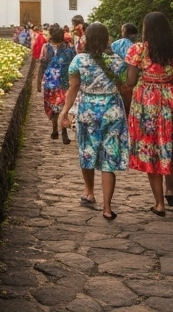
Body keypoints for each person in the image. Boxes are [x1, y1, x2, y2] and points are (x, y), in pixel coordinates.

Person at [125, 11, 173, 216]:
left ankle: (159, 204)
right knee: (169, 145)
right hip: (172, 101)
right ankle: (170, 189)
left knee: (151, 151)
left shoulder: (138, 50)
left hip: (147, 104)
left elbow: (130, 82)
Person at [59, 23, 129, 220]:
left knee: (87, 151)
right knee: (109, 159)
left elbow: (73, 88)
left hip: (88, 110)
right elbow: (126, 84)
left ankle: (89, 192)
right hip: (112, 111)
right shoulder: (118, 62)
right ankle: (107, 207)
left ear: (86, 39)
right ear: (107, 39)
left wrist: (65, 111)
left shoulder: (78, 61)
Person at [36, 25, 77, 144]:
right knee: (65, 106)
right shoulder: (70, 49)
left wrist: (39, 82)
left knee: (53, 107)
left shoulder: (46, 47)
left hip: (50, 83)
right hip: (65, 82)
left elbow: (42, 64)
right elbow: (74, 67)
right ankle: (63, 130)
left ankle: (55, 128)